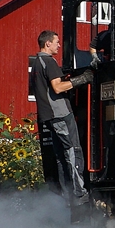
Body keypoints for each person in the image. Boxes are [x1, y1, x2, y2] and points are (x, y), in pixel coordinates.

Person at [30, 29, 94, 216]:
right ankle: (80, 193)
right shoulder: (48, 61)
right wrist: (81, 79)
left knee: (59, 156)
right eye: (56, 42)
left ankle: (66, 196)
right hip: (60, 113)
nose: (59, 45)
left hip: (47, 117)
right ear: (47, 43)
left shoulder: (36, 63)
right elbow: (57, 88)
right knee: (72, 151)